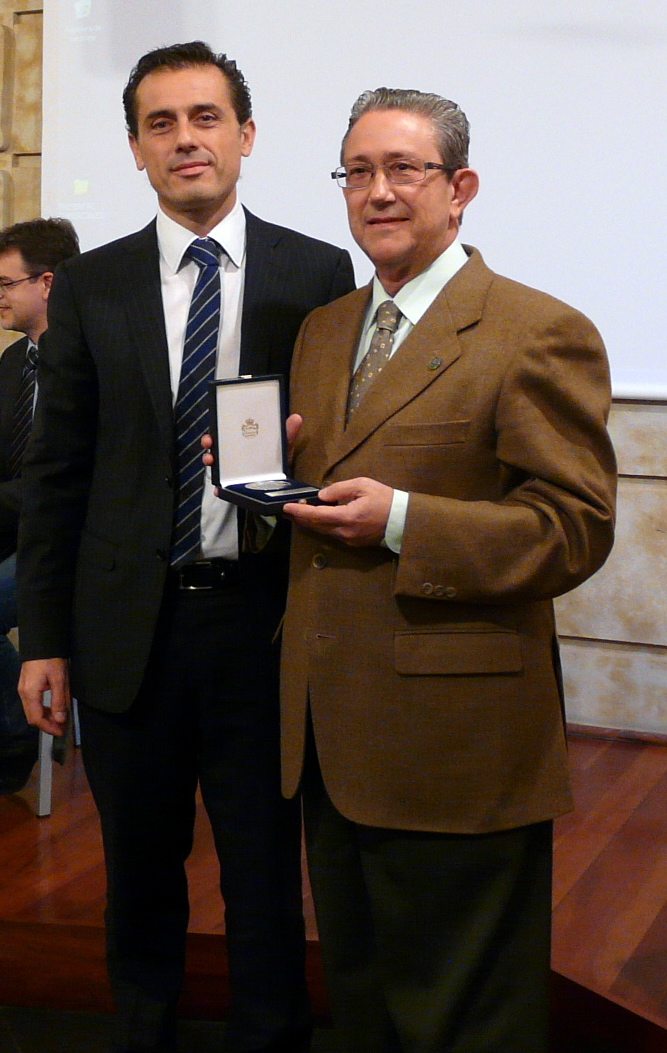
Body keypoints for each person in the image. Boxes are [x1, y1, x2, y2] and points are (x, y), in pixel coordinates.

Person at [17, 42, 354, 1053]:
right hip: (131, 624)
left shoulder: (315, 272)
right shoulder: (91, 285)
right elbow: (57, 471)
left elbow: (343, 437)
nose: (186, 139)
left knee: (262, 865)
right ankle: (144, 1024)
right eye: (160, 123)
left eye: (205, 117)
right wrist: (43, 635)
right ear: (134, 148)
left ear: (244, 135)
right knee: (139, 863)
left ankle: (269, 1031)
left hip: (263, 620)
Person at [279, 89, 616, 1052]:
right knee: (367, 999)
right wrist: (259, 486)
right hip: (327, 730)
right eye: (356, 171)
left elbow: (573, 526)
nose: (376, 192)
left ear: (460, 187)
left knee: (465, 1011)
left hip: (457, 742)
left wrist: (405, 522)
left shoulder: (533, 329)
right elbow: (315, 502)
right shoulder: (323, 329)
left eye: (403, 169)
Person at [0, 217, 79, 794]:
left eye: (6, 283)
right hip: (11, 528)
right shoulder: (10, 362)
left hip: (62, 542)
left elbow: (59, 481)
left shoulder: (85, 360)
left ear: (46, 283)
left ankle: (15, 742)